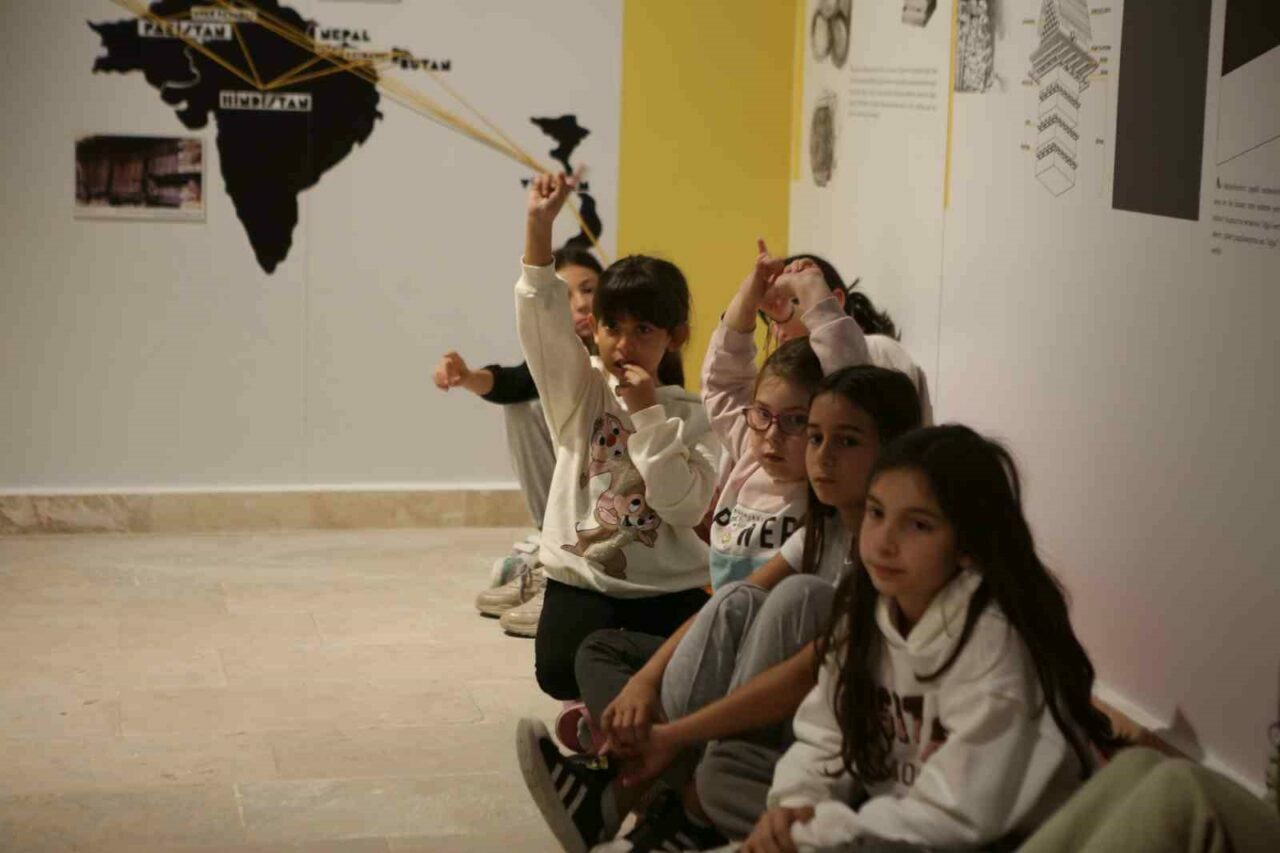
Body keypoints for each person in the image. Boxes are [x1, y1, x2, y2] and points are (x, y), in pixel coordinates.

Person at [516, 365, 922, 852]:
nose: (823, 455)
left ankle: (640, 791)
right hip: (769, 720)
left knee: (794, 601)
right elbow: (737, 599)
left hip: (816, 737)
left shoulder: (885, 555)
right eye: (816, 437)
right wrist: (645, 685)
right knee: (625, 642)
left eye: (845, 441)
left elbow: (801, 676)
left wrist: (672, 736)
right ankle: (654, 795)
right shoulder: (825, 527)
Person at [743, 425, 1122, 852]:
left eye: (919, 525)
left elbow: (958, 812)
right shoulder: (868, 614)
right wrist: (795, 807)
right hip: (893, 818)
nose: (884, 542)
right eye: (876, 513)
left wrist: (812, 835)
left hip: (1002, 839)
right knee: (731, 768)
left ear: (967, 544)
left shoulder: (994, 641)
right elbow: (825, 735)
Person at [510, 171, 719, 720]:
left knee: (691, 675)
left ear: (675, 336)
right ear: (594, 328)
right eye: (612, 327)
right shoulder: (581, 389)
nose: (624, 344)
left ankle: (611, 722)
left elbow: (683, 508)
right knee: (558, 671)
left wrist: (648, 413)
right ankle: (608, 710)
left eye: (643, 329)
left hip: (668, 588)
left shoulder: (697, 416)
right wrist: (538, 225)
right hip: (585, 578)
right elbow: (541, 318)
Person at [436, 246, 603, 636]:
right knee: (523, 406)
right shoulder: (559, 352)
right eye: (565, 296)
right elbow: (514, 382)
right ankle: (552, 547)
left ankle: (567, 569)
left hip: (624, 501)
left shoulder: (625, 344)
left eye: (589, 289)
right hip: (578, 506)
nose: (580, 304)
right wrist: (467, 377)